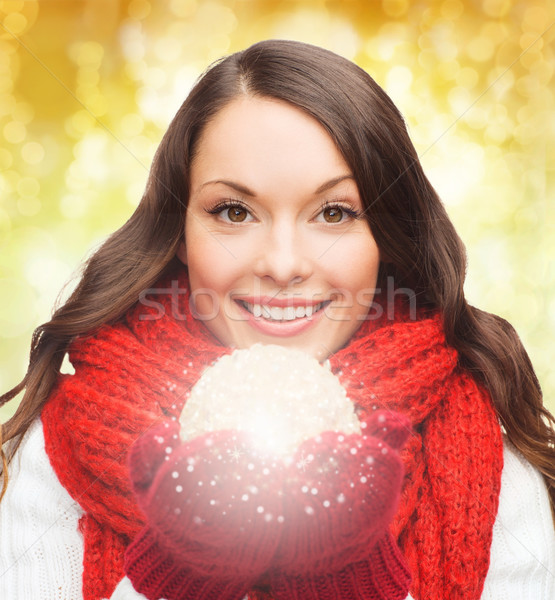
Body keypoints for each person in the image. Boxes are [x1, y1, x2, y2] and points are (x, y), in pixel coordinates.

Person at [1, 39, 554, 600]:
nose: (283, 264)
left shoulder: (496, 465)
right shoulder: (53, 455)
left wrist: (341, 576)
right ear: (182, 232)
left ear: (385, 238)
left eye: (333, 213)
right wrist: (185, 572)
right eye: (234, 212)